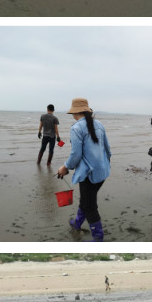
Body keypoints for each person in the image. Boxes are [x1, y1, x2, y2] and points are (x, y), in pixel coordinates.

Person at [57, 98, 111, 242]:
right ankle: (77, 223)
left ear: (75, 113)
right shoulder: (99, 124)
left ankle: (98, 237)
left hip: (88, 174)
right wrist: (106, 165)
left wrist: (65, 167)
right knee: (87, 200)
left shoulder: (76, 128)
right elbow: (107, 149)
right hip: (102, 172)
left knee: (90, 206)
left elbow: (76, 154)